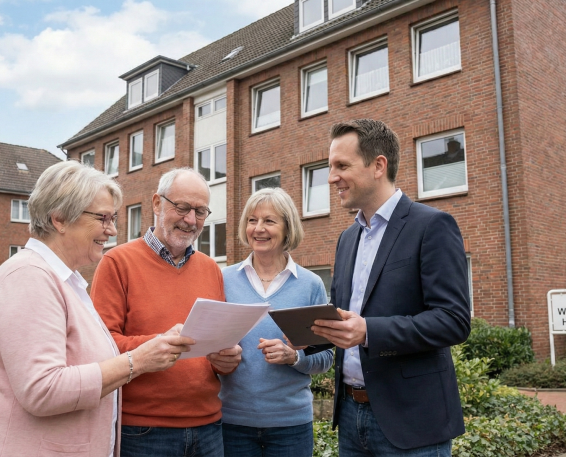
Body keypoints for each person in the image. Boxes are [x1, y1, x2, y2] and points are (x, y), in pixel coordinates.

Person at [0, 161, 194, 457]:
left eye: (113, 218)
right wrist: (137, 361)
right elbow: (43, 390)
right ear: (60, 218)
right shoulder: (28, 277)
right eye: (103, 218)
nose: (112, 230)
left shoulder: (67, 281)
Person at [310, 119, 471, 456]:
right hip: (351, 418)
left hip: (412, 424)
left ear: (378, 165)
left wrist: (368, 331)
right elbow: (343, 319)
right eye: (330, 167)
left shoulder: (432, 226)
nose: (330, 178)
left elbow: (453, 320)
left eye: (341, 166)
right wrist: (305, 337)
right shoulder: (346, 238)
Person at [91, 167, 242, 457]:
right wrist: (157, 345)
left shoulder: (211, 269)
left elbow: (216, 348)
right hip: (143, 431)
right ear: (157, 204)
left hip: (209, 427)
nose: (190, 220)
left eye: (200, 211)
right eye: (182, 207)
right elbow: (100, 345)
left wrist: (227, 358)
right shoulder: (116, 263)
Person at [219, 188, 334, 456]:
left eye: (269, 221)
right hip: (231, 424)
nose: (258, 228)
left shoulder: (310, 285)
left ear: (287, 228)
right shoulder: (224, 280)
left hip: (291, 426)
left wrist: (294, 357)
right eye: (251, 220)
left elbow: (326, 357)